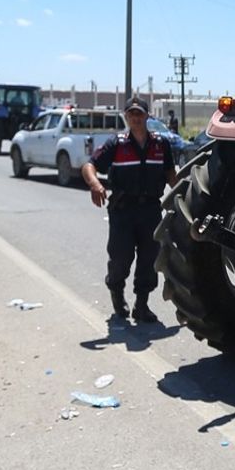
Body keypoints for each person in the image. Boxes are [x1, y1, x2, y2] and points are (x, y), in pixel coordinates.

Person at [81, 97, 181, 322]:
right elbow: (90, 165)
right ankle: (117, 296)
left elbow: (170, 174)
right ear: (126, 117)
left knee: (149, 259)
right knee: (120, 258)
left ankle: (142, 305)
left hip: (151, 211)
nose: (136, 118)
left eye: (140, 114)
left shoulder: (160, 143)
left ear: (147, 116)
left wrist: (185, 194)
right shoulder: (116, 143)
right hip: (123, 211)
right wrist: (95, 184)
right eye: (131, 114)